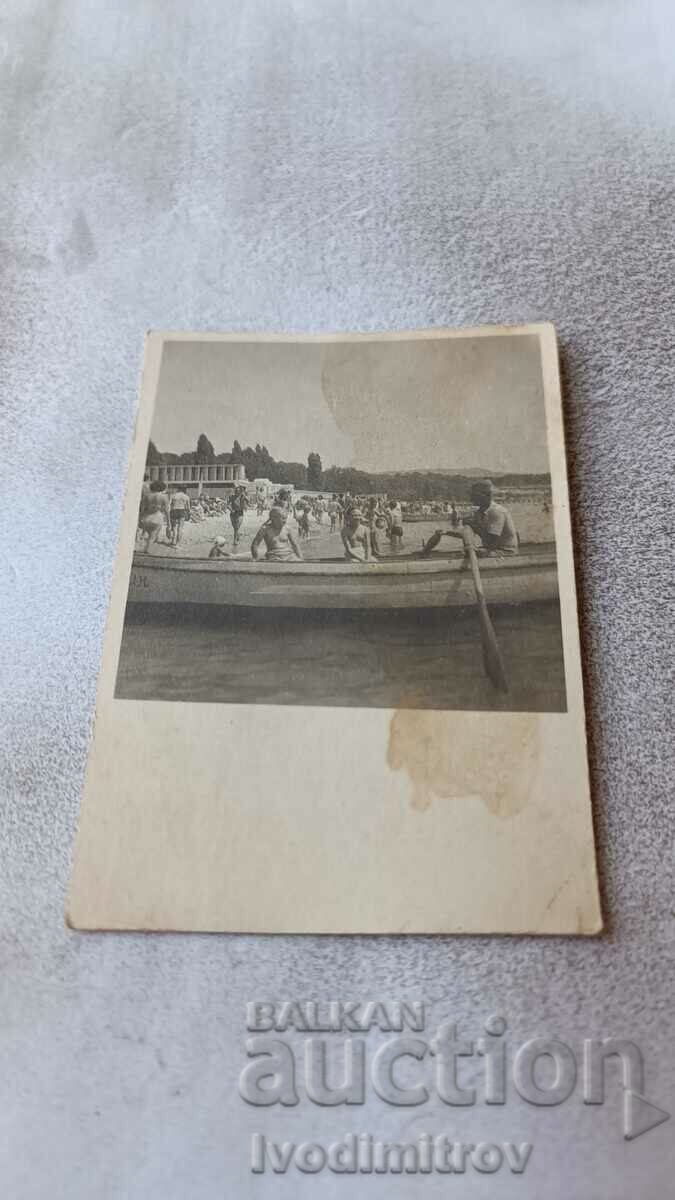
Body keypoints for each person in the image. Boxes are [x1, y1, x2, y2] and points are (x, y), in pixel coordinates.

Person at [461, 480, 519, 554]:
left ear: (486, 496)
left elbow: (492, 543)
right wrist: (447, 533)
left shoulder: (496, 512)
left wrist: (475, 526)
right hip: (492, 548)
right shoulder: (479, 511)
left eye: (474, 496)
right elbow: (480, 532)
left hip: (506, 551)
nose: (471, 499)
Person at [139, 480, 170, 552]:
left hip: (146, 517)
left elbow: (142, 509)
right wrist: (169, 524)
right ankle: (147, 550)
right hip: (157, 517)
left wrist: (139, 519)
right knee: (153, 536)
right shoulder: (164, 497)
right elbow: (167, 511)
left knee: (150, 534)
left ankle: (145, 548)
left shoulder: (147, 496)